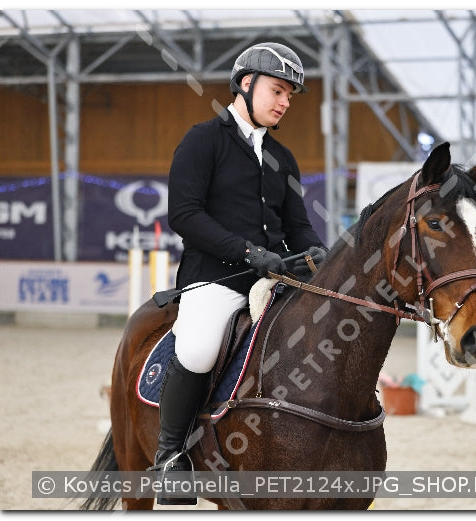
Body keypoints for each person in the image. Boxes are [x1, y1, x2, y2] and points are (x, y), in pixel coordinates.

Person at [153, 42, 328, 504]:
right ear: (246, 84)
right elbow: (185, 215)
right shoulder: (202, 140)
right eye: (277, 90)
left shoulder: (283, 157)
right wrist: (249, 252)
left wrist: (319, 255)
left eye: (290, 95)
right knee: (199, 345)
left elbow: (298, 226)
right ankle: (170, 456)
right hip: (216, 279)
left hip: (274, 279)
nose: (285, 102)